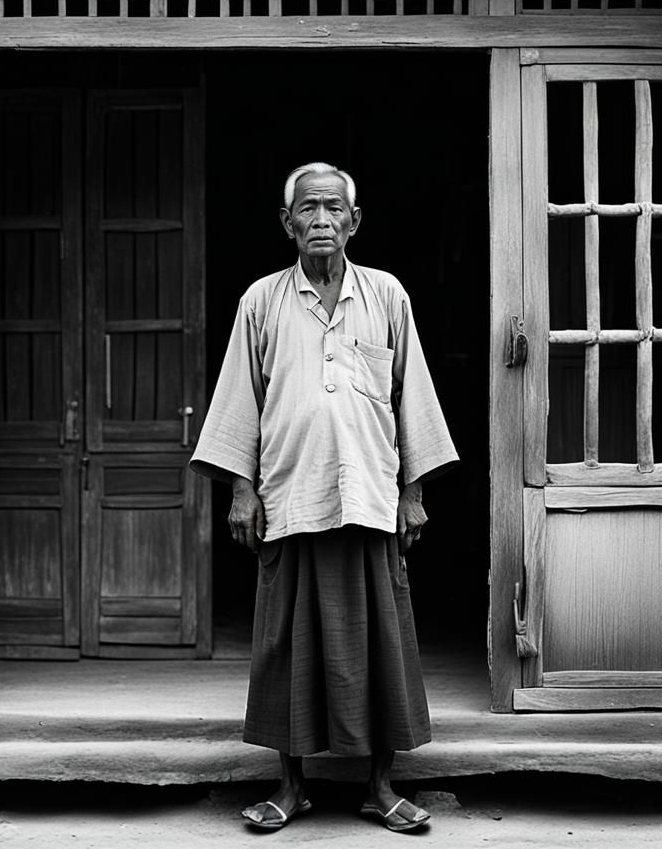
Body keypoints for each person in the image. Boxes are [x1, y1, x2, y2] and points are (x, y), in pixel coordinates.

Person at [190, 161, 458, 833]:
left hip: (370, 494)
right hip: (290, 496)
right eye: (306, 209)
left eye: (332, 209)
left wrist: (413, 492)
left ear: (354, 221)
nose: (320, 221)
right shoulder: (262, 301)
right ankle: (290, 786)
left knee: (382, 646)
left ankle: (381, 785)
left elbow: (412, 398)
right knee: (288, 649)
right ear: (286, 223)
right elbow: (238, 403)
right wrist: (242, 493)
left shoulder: (387, 296)